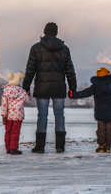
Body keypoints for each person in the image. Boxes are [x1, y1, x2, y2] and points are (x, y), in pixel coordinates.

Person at [23, 22, 76, 153]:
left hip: (42, 88)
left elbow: (30, 70)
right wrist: (72, 87)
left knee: (42, 116)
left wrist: (26, 86)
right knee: (59, 116)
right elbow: (70, 70)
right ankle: (60, 146)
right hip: (59, 88)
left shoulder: (36, 48)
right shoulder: (64, 49)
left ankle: (40, 147)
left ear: (45, 32)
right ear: (56, 32)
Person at [69, 65, 111, 153]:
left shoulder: (95, 86)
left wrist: (73, 95)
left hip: (100, 111)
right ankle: (108, 147)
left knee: (101, 130)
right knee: (110, 129)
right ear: (107, 75)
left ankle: (101, 146)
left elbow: (84, 93)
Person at [1, 72, 30, 155]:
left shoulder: (6, 91)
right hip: (18, 115)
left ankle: (8, 148)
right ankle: (14, 148)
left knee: (8, 132)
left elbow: (4, 105)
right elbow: (28, 101)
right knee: (15, 132)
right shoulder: (22, 91)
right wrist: (27, 94)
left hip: (9, 116)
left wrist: (3, 116)